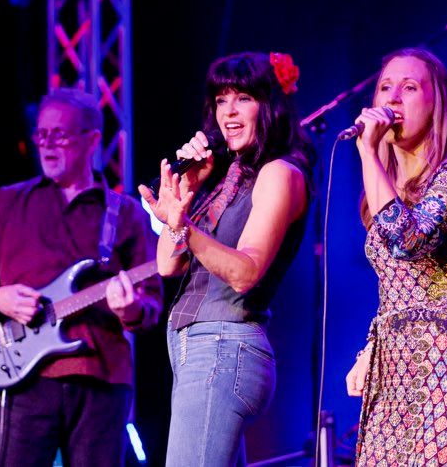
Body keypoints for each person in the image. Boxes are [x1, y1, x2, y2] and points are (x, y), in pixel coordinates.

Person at [0, 88, 163, 467]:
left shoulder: (124, 213)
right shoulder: (9, 202)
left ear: (92, 140)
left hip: (102, 379)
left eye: (59, 135)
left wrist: (131, 309)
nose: (47, 144)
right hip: (25, 380)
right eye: (41, 134)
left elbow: (151, 304)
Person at [134, 51, 314, 466]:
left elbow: (246, 272)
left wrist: (185, 225)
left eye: (243, 98)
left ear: (270, 105)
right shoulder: (228, 178)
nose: (229, 112)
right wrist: (189, 190)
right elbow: (167, 265)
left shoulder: (280, 173)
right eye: (221, 100)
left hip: (222, 349)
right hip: (200, 353)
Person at [345, 47, 447, 465]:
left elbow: (410, 241)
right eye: (385, 87)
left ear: (437, 104)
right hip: (393, 375)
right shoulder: (382, 190)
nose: (393, 98)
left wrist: (367, 153)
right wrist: (370, 350)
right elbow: (396, 286)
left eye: (409, 87)